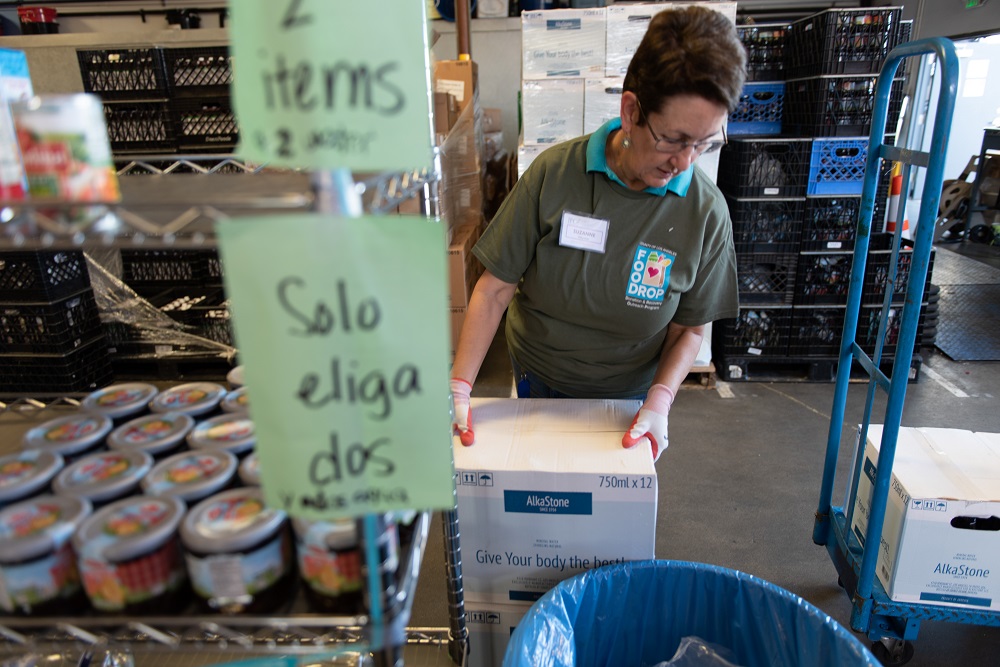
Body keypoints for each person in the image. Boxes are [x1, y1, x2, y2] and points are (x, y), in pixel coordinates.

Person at [450, 6, 746, 462]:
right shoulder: (554, 174)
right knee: (539, 499)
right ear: (631, 111)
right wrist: (460, 386)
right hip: (539, 377)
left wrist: (660, 402)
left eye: (703, 144)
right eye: (673, 139)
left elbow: (690, 327)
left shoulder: (706, 214)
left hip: (627, 404)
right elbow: (494, 290)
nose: (685, 162)